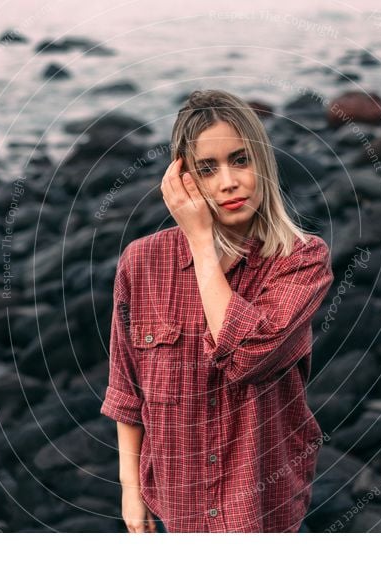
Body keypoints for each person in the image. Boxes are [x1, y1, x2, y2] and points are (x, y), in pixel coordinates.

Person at [100, 88, 334, 533]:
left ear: (262, 163)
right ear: (185, 179)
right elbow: (127, 389)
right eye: (208, 169)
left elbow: (247, 353)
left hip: (263, 515)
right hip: (176, 511)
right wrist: (130, 490)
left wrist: (201, 245)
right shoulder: (142, 262)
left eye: (240, 160)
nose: (228, 182)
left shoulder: (301, 260)